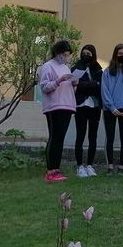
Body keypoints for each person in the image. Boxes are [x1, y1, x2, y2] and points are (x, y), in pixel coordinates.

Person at [39, 40, 78, 183]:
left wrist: (74, 83)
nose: (66, 57)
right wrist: (58, 80)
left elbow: (70, 89)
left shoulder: (67, 68)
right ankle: (50, 171)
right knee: (54, 137)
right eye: (64, 54)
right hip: (54, 106)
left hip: (67, 105)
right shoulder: (47, 66)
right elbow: (44, 87)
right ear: (57, 53)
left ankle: (56, 168)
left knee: (60, 139)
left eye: (68, 55)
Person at [101, 43, 123, 174]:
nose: (122, 56)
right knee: (109, 137)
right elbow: (104, 91)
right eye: (120, 53)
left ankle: (122, 166)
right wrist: (111, 107)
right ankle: (110, 166)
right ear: (115, 55)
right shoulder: (107, 72)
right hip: (110, 110)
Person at [72, 44, 104, 178]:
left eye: (89, 53)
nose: (86, 55)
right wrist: (90, 85)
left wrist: (85, 86)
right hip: (80, 105)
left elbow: (99, 87)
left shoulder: (98, 69)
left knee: (93, 136)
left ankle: (90, 165)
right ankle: (80, 166)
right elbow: (75, 86)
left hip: (95, 106)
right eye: (84, 53)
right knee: (80, 136)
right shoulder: (76, 68)